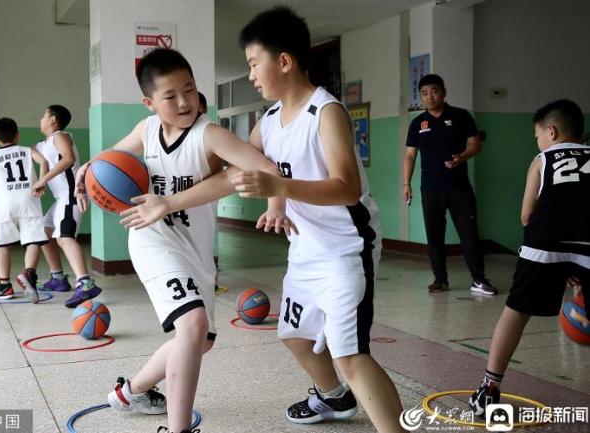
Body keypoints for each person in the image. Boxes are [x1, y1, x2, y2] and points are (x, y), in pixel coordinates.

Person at [74, 48, 291, 433]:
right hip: (152, 240)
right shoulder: (146, 130)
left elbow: (266, 167)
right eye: (170, 96)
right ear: (150, 103)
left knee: (200, 341)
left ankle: (133, 391)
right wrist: (87, 172)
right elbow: (109, 159)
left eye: (189, 90)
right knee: (191, 327)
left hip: (196, 249)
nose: (184, 101)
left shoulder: (210, 134)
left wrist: (276, 204)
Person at [232, 6, 404, 432]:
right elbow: (238, 163)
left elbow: (345, 186)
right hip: (306, 249)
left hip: (348, 248)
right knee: (294, 336)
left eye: (255, 64)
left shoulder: (324, 112)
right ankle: (334, 399)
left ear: (284, 61)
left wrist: (280, 191)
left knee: (350, 355)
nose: (251, 75)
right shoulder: (268, 122)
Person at [469, 99, 590, 416]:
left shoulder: (542, 159)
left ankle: (489, 389)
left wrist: (560, 260)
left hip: (545, 239)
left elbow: (526, 215)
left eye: (538, 136)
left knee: (515, 312)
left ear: (551, 131)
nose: (538, 142)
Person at [403, 74, 497, 295]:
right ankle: (440, 279)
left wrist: (462, 157)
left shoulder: (460, 116)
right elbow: (409, 155)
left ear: (444, 92)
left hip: (459, 188)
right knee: (434, 235)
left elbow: (475, 144)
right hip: (430, 189)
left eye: (434, 91)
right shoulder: (417, 123)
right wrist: (405, 183)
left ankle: (478, 279)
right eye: (424, 93)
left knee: (469, 234)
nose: (430, 97)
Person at [0, 117, 48, 303]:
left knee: (4, 244)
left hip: (6, 204)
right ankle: (29, 274)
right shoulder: (28, 150)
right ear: (18, 135)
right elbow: (43, 161)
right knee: (33, 240)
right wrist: (41, 182)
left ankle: (4, 286)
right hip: (29, 199)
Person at [33, 104, 102, 308]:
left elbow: (69, 159)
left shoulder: (60, 136)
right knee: (44, 233)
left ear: (53, 119)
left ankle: (85, 282)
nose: (41, 119)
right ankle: (58, 279)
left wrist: (43, 179)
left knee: (65, 238)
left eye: (43, 115)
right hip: (59, 199)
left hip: (70, 196)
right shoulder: (43, 143)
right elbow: (36, 156)